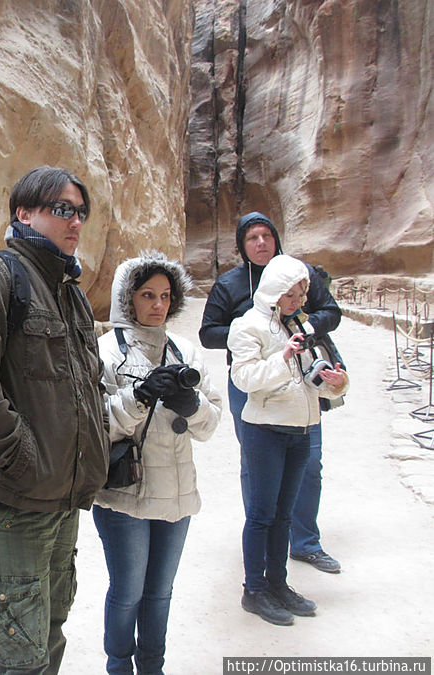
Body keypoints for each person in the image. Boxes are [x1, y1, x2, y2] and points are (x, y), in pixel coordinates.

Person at [0, 166, 109, 675]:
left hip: (62, 497)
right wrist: (21, 458)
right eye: (61, 209)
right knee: (17, 651)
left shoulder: (68, 289)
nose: (74, 221)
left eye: (80, 211)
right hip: (14, 500)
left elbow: (82, 386)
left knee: (49, 631)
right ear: (24, 213)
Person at [93, 252, 222, 674]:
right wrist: (140, 396)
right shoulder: (106, 351)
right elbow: (96, 425)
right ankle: (118, 667)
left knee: (160, 592)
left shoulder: (184, 349)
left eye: (166, 296)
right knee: (128, 590)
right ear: (127, 298)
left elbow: (210, 425)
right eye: (147, 294)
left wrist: (193, 403)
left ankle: (152, 666)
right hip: (123, 494)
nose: (157, 305)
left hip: (177, 493)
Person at [199, 211, 343, 573]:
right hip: (252, 380)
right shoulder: (230, 285)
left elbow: (331, 311)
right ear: (241, 245)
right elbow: (208, 332)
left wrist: (304, 325)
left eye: (266, 235)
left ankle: (305, 541)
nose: (261, 243)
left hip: (301, 376)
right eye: (252, 238)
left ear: (277, 238)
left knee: (309, 461)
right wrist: (248, 328)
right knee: (258, 464)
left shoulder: (300, 274)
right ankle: (261, 537)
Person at [227, 254, 348, 626]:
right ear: (274, 292)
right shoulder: (247, 326)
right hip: (266, 431)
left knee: (283, 515)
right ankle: (254, 590)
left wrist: (337, 384)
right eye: (292, 295)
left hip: (301, 430)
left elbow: (316, 372)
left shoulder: (299, 324)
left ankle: (278, 584)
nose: (299, 302)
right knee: (261, 515)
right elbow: (244, 378)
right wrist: (283, 358)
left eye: (301, 294)